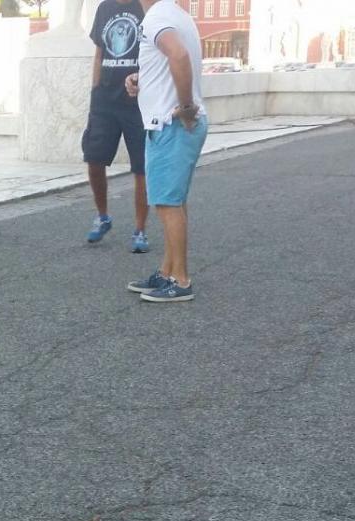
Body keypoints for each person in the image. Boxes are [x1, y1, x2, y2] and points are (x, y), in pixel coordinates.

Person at [122, 0, 206, 303]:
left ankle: (180, 280)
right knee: (173, 201)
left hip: (170, 124)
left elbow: (179, 56)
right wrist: (141, 79)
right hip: (172, 123)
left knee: (168, 203)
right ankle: (168, 271)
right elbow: (170, 61)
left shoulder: (157, 16)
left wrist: (185, 108)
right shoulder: (177, 14)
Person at [83, 0, 150, 253]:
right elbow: (99, 53)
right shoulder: (104, 8)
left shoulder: (145, 6)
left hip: (137, 102)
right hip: (104, 100)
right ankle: (102, 216)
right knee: (94, 159)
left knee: (141, 168)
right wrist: (95, 91)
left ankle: (140, 230)